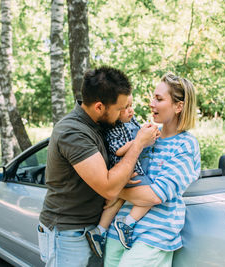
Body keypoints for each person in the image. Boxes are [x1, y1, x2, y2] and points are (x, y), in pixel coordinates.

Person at [37, 66, 159, 267]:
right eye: (119, 109)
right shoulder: (73, 132)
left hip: (94, 229)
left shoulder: (101, 124)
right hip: (68, 234)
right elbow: (109, 188)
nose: (122, 113)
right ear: (99, 107)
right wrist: (138, 143)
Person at [104, 73, 201, 266]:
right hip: (118, 231)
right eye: (152, 97)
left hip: (154, 235)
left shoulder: (185, 145)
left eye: (159, 99)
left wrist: (110, 188)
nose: (151, 103)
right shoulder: (146, 135)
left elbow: (155, 196)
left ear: (178, 106)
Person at [85, 94, 158, 258]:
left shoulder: (131, 121)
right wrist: (140, 140)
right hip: (127, 171)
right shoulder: (113, 129)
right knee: (151, 196)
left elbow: (141, 135)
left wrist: (148, 133)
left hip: (129, 172)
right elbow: (118, 150)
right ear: (115, 113)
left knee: (116, 202)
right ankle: (127, 223)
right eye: (125, 108)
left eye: (131, 105)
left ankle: (99, 231)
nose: (131, 110)